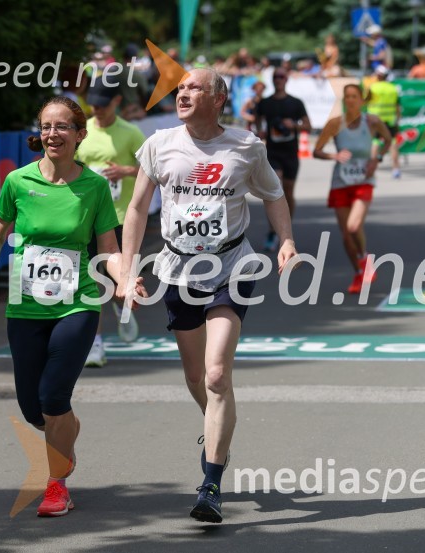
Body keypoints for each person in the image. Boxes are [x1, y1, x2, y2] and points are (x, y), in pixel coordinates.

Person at [116, 68, 297, 523]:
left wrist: (287, 240)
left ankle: (210, 483)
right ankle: (217, 425)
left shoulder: (246, 146)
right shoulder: (159, 145)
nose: (183, 94)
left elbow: (273, 195)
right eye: (180, 89)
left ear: (218, 98)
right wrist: (126, 269)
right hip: (178, 269)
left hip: (231, 266)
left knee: (217, 374)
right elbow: (137, 207)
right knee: (197, 376)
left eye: (193, 88)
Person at [0, 96, 146, 517]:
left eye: (63, 126)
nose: (53, 133)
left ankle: (56, 486)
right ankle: (64, 429)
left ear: (80, 135)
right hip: (25, 305)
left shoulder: (94, 186)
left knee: (52, 398)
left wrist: (124, 279)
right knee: (35, 410)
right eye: (47, 126)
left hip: (79, 303)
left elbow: (109, 247)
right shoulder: (18, 181)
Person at [76, 78, 147, 367]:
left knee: (117, 284)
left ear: (116, 102)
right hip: (86, 219)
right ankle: (95, 343)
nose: (97, 109)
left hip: (119, 219)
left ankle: (120, 308)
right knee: (92, 282)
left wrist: (127, 170)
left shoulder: (130, 133)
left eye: (103, 105)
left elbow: (151, 168)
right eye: (93, 104)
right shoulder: (82, 132)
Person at [314, 83, 391, 295]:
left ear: (362, 100)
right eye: (346, 97)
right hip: (341, 182)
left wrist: (377, 159)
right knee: (346, 236)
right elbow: (317, 150)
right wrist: (334, 156)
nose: (350, 100)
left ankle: (365, 260)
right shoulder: (335, 124)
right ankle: (359, 272)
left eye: (354, 96)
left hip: (364, 180)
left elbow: (388, 140)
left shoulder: (372, 121)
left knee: (354, 226)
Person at [254, 67, 311, 251]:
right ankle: (273, 230)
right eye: (276, 77)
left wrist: (293, 125)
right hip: (273, 153)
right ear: (273, 80)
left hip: (290, 153)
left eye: (281, 77)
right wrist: (260, 132)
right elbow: (257, 121)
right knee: (275, 189)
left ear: (286, 80)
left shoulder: (295, 103)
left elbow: (308, 126)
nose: (278, 80)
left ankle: (285, 230)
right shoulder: (265, 103)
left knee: (288, 191)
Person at [367, 65, 401, 178]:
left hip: (375, 120)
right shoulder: (393, 88)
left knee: (375, 143)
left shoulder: (372, 87)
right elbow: (397, 106)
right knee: (393, 143)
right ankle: (395, 169)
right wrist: (398, 119)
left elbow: (365, 102)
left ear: (377, 75)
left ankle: (372, 169)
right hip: (390, 120)